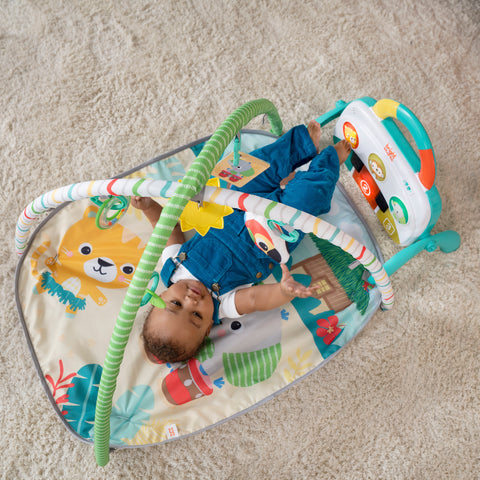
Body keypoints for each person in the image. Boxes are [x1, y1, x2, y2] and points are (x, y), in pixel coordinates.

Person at [133, 121, 351, 363]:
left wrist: (149, 207)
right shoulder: (224, 304)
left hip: (236, 202)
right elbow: (256, 299)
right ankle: (328, 163)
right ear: (208, 326)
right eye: (196, 315)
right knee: (307, 200)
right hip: (272, 231)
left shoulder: (172, 268)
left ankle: (301, 146)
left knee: (258, 165)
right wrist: (282, 291)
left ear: (162, 294)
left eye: (176, 303)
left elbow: (167, 227)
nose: (191, 301)